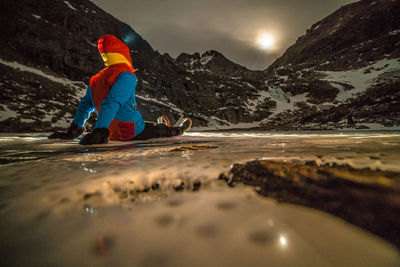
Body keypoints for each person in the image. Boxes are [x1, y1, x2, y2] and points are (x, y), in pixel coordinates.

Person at [48, 35, 189, 145]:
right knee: (158, 130)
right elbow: (112, 102)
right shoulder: (126, 76)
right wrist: (99, 131)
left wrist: (74, 130)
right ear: (123, 54)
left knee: (147, 125)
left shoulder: (95, 79)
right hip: (128, 131)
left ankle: (160, 126)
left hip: (111, 132)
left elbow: (85, 105)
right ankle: (178, 129)